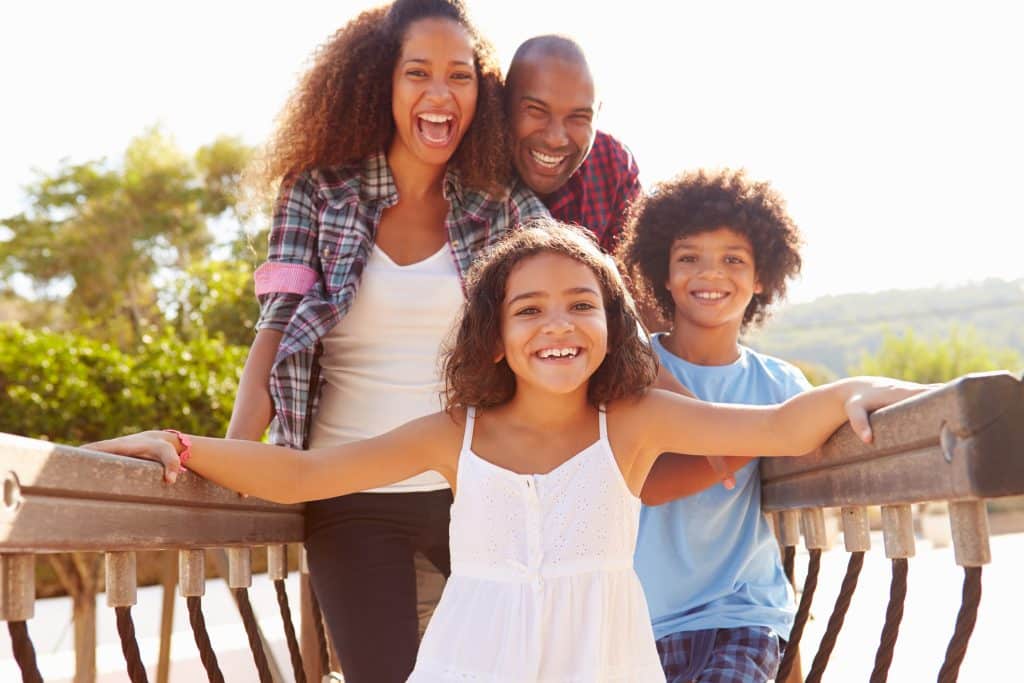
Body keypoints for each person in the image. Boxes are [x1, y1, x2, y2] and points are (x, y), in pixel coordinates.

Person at [87, 219, 928, 683]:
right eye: (528, 310)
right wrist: (181, 445)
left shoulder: (631, 420)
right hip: (471, 662)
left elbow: (778, 427)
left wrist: (858, 389)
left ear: (610, 323)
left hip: (598, 663)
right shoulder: (458, 433)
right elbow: (308, 473)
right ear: (492, 336)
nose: (557, 324)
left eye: (579, 304)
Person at [226, 1, 547, 680]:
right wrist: (236, 458)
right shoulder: (318, 193)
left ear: (479, 93)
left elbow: (591, 297)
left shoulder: (502, 205)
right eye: (418, 73)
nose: (440, 94)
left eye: (459, 76)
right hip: (348, 495)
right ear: (383, 83)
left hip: (478, 491)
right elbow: (275, 330)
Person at [618, 168, 808, 682]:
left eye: (733, 259)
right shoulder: (629, 371)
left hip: (743, 615)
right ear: (662, 271)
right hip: (637, 625)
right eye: (689, 258)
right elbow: (651, 484)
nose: (711, 274)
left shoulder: (780, 384)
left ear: (762, 275)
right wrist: (766, 432)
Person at [505, 35, 641, 252]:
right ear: (503, 103)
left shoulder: (612, 166)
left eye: (578, 117)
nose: (555, 138)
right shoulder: (464, 174)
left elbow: (631, 276)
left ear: (598, 114)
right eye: (536, 111)